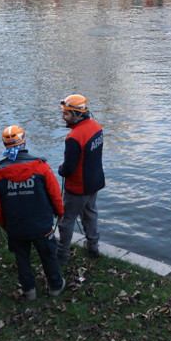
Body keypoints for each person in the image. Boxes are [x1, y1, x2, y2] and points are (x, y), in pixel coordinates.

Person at [0, 125, 65, 300]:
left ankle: (29, 290)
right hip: (41, 225)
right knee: (48, 255)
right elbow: (54, 193)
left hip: (15, 226)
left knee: (22, 257)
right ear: (23, 141)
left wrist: (4, 223)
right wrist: (60, 212)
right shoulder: (40, 166)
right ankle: (55, 286)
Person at [56, 95, 104, 265]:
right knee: (91, 214)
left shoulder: (74, 138)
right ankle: (93, 246)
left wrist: (61, 169)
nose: (63, 117)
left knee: (67, 220)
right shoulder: (97, 128)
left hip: (78, 187)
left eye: (67, 114)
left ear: (77, 115)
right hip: (94, 182)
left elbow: (68, 168)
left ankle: (61, 254)